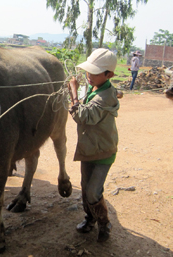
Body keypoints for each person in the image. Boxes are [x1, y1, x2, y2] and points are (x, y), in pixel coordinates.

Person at [67, 48, 120, 242]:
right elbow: (90, 98)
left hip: (103, 151)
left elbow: (83, 116)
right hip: (89, 148)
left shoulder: (105, 97)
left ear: (109, 75)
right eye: (88, 71)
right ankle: (90, 218)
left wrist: (73, 90)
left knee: (93, 191)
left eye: (94, 73)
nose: (89, 76)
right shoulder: (97, 87)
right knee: (84, 186)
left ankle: (104, 223)